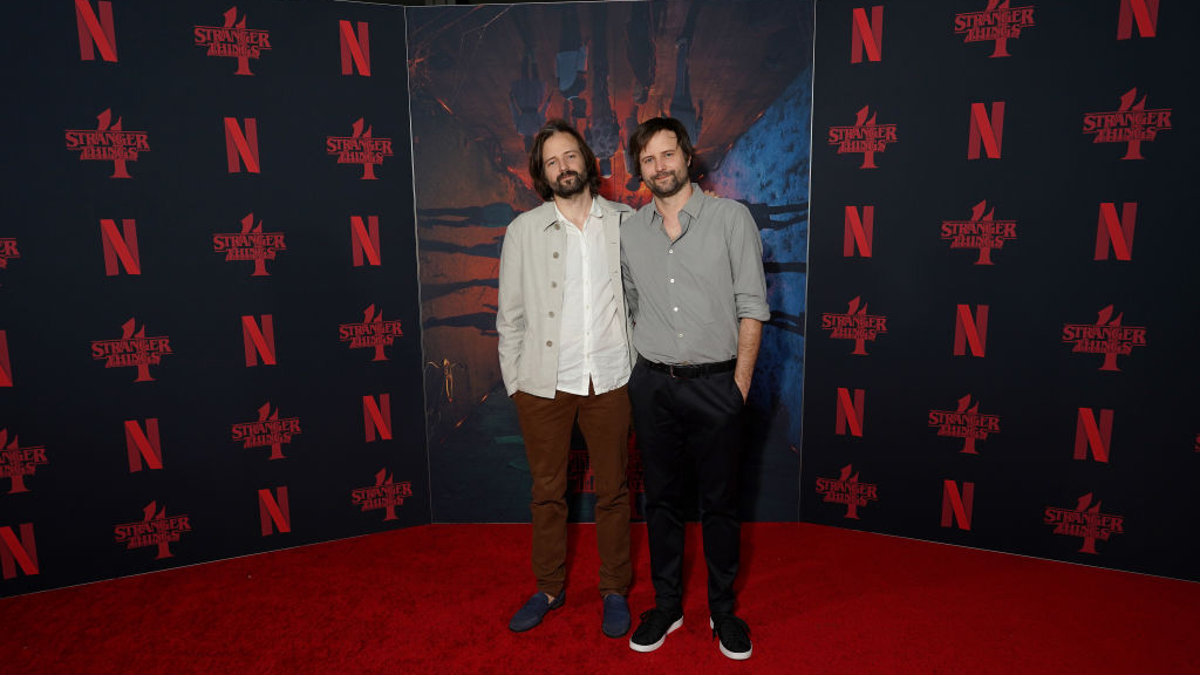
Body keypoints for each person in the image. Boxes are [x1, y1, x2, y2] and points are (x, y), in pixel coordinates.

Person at [621, 117, 769, 660]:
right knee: (660, 501)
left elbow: (752, 307)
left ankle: (724, 611)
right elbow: (634, 303)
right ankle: (667, 606)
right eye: (649, 160)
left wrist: (738, 388)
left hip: (717, 386)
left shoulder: (732, 219)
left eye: (667, 155)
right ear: (640, 171)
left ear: (687, 156)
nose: (660, 167)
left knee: (721, 505)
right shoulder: (630, 231)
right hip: (654, 385)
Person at [496, 119, 635, 638]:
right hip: (544, 386)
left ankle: (615, 588)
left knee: (615, 491)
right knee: (547, 492)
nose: (563, 166)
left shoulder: (625, 221)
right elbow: (509, 317)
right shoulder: (523, 231)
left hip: (611, 380)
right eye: (552, 161)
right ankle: (549, 587)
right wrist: (517, 382)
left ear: (587, 160)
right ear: (542, 173)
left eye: (570, 156)